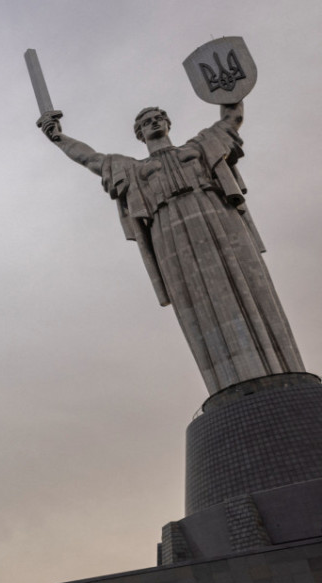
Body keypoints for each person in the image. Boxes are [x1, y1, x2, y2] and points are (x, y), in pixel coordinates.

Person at [38, 102, 304, 394]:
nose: (154, 122)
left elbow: (232, 116)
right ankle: (229, 388)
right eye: (146, 122)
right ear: (139, 134)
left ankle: (282, 372)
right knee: (195, 299)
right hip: (170, 230)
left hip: (216, 213)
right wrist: (59, 138)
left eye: (158, 118)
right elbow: (90, 159)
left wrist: (227, 82)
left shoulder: (200, 146)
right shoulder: (134, 169)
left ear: (167, 124)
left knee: (249, 281)